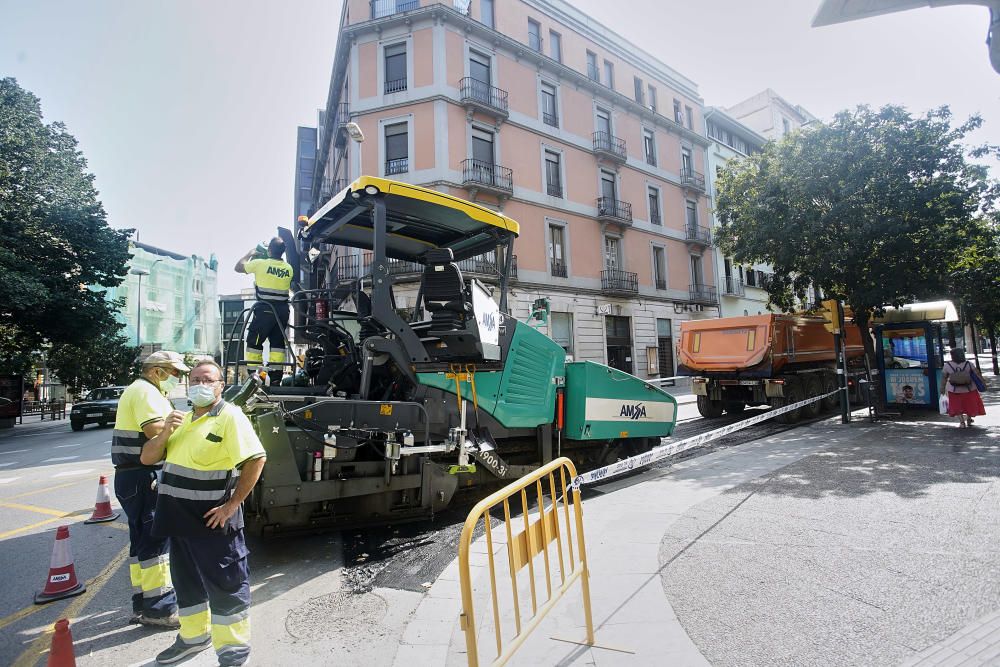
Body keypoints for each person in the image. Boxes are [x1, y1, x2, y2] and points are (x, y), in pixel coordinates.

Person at [142, 360, 266, 666]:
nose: (200, 383)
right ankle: (193, 637)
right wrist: (165, 432)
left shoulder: (229, 416)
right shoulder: (181, 419)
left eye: (207, 379)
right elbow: (148, 458)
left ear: (220, 386)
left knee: (227, 586)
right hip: (177, 521)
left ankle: (233, 651)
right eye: (195, 378)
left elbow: (256, 459)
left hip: (212, 523)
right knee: (187, 585)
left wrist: (231, 505)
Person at [112, 350, 188, 628]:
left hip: (132, 477)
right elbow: (155, 429)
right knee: (156, 541)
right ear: (157, 371)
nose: (177, 378)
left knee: (142, 542)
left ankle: (143, 604)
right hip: (143, 476)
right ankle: (160, 609)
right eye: (175, 372)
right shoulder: (145, 392)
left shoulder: (143, 390)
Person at [235, 238, 293, 385]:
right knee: (277, 344)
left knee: (254, 342)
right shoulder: (288, 268)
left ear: (269, 251)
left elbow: (238, 267)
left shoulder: (260, 264)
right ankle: (275, 377)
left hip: (265, 310)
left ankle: (255, 376)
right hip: (282, 312)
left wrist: (249, 254)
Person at [940, 347, 986, 428]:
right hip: (969, 389)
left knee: (956, 406)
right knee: (970, 405)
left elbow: (944, 378)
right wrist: (983, 382)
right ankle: (969, 419)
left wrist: (942, 388)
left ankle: (962, 422)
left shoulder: (948, 365)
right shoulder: (969, 364)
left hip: (954, 390)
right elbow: (977, 374)